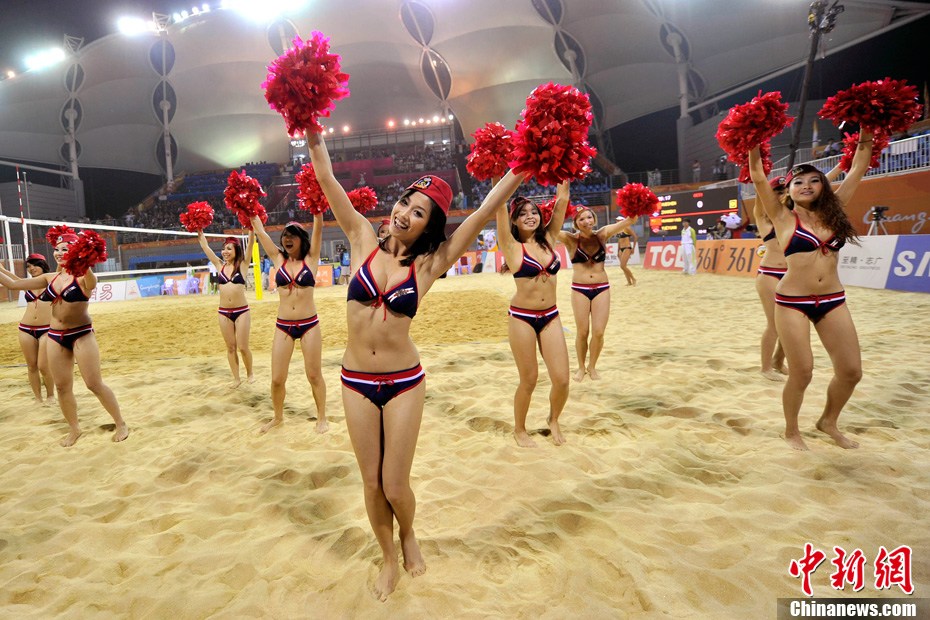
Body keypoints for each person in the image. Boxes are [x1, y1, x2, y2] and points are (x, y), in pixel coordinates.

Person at [308, 131, 525, 601]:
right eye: (406, 201)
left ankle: (408, 533)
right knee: (370, 482)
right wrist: (309, 127)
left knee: (394, 483)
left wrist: (526, 164)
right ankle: (389, 557)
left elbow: (484, 210)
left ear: (429, 226)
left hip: (404, 382)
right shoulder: (361, 237)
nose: (405, 213)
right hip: (355, 381)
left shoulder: (431, 264)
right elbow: (326, 178)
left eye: (419, 212)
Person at [748, 130, 873, 451]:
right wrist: (752, 139)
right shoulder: (781, 216)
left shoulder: (836, 209)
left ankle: (828, 421)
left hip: (833, 301)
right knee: (802, 372)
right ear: (789, 191)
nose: (807, 185)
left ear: (823, 186)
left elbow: (858, 166)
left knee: (851, 372)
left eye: (815, 180)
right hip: (792, 302)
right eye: (799, 182)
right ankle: (791, 431)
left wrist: (867, 129)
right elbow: (758, 176)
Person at [0, 232, 129, 447]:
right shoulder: (49, 278)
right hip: (55, 336)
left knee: (94, 384)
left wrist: (84, 261)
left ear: (77, 252)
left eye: (65, 250)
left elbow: (92, 282)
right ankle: (74, 428)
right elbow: (13, 284)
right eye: (57, 249)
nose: (59, 253)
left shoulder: (83, 277)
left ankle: (120, 423)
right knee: (61, 387)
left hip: (81, 334)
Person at [496, 182, 570, 447]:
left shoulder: (549, 239)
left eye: (534, 212)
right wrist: (497, 176)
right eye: (523, 213)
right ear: (515, 221)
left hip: (551, 316)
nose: (530, 216)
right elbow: (499, 206)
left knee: (562, 379)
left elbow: (562, 201)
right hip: (522, 318)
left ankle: (553, 418)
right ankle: (519, 429)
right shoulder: (511, 246)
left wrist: (563, 171)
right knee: (529, 379)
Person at [251, 216, 328, 434]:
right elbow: (261, 232)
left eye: (293, 235)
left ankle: (322, 417)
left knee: (314, 375)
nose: (287, 239)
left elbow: (318, 227)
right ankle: (277, 417)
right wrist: (251, 211)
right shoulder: (278, 258)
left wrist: (318, 212)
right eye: (285, 235)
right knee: (277, 379)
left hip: (309, 325)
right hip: (283, 325)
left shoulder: (311, 258)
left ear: (302, 239)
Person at [558, 204, 637, 382]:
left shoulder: (602, 234)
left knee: (599, 332)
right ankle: (581, 367)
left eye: (589, 217)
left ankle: (592, 366)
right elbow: (549, 230)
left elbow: (629, 221)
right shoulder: (570, 238)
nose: (586, 221)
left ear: (594, 218)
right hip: (580, 289)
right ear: (576, 223)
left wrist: (636, 207)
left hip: (602, 288)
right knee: (582, 332)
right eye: (581, 219)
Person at [197, 230, 256, 388]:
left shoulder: (243, 265)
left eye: (229, 248)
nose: (225, 251)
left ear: (236, 250)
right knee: (230, 347)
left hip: (242, 311)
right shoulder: (219, 265)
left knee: (243, 347)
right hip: (224, 313)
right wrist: (199, 231)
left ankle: (250, 373)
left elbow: (251, 243)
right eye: (224, 249)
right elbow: (205, 247)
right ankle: (236, 379)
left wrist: (251, 228)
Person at [0, 254, 54, 403]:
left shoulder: (52, 281)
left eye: (35, 265)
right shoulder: (27, 284)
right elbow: (12, 279)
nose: (31, 268)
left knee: (43, 366)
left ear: (43, 264)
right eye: (28, 266)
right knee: (31, 366)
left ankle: (50, 395)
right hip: (25, 329)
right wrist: (1, 269)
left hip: (47, 329)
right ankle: (38, 398)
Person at [752, 176, 789, 381]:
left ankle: (778, 361)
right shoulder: (763, 218)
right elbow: (759, 187)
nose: (782, 194)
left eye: (784, 190)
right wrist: (761, 176)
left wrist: (842, 167)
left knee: (791, 323)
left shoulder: (791, 216)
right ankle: (766, 368)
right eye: (777, 191)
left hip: (791, 275)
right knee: (774, 324)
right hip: (769, 274)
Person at [614, 216, 638, 286]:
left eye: (618, 220)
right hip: (621, 249)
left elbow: (635, 237)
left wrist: (633, 248)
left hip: (627, 248)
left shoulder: (627, 228)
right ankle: (629, 282)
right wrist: (618, 251)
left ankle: (633, 279)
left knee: (623, 266)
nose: (617, 221)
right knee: (623, 267)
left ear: (622, 221)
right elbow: (619, 241)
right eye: (616, 220)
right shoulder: (618, 229)